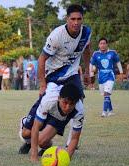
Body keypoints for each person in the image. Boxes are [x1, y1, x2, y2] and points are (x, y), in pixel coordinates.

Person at [19, 4, 91, 154]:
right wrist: (42, 85)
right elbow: (41, 59)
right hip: (53, 78)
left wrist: (86, 72)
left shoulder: (86, 33)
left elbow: (87, 51)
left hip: (72, 76)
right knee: (27, 132)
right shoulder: (57, 35)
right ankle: (29, 131)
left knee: (78, 102)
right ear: (67, 19)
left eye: (79, 19)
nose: (76, 22)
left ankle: (71, 143)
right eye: (73, 19)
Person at [18, 84, 84, 162]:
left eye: (72, 104)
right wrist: (34, 156)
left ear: (76, 103)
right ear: (59, 98)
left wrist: (65, 160)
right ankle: (26, 125)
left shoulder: (79, 111)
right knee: (25, 134)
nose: (67, 107)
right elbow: (36, 127)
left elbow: (75, 138)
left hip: (59, 116)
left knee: (42, 141)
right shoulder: (48, 100)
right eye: (65, 102)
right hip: (47, 106)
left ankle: (46, 147)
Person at [90, 37, 123, 117]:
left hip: (110, 75)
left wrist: (121, 73)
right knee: (105, 95)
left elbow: (118, 62)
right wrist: (91, 74)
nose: (102, 45)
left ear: (107, 44)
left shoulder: (112, 53)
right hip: (101, 76)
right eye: (101, 43)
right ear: (98, 45)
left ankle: (104, 112)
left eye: (104, 43)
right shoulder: (95, 54)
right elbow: (91, 64)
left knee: (106, 93)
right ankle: (111, 111)